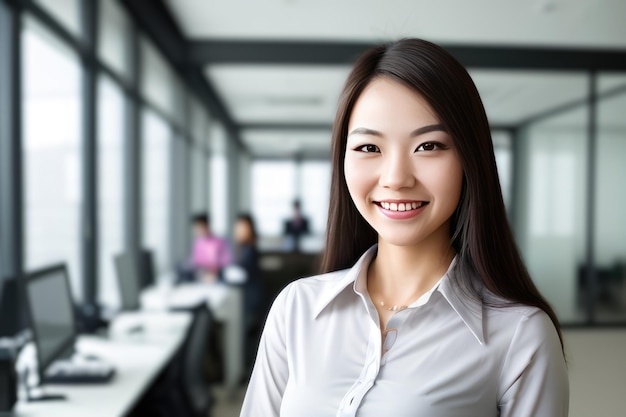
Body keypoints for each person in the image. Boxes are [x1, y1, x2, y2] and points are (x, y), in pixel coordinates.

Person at [240, 38, 568, 417]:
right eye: (368, 148)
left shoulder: (520, 336)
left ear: (469, 159)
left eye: (428, 146)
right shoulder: (296, 309)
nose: (395, 178)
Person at [179, 213, 231, 283]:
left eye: (200, 226)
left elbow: (227, 260)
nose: (198, 230)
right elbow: (194, 262)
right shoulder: (198, 243)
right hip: (201, 276)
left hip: (218, 276)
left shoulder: (219, 242)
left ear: (206, 225)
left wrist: (214, 270)